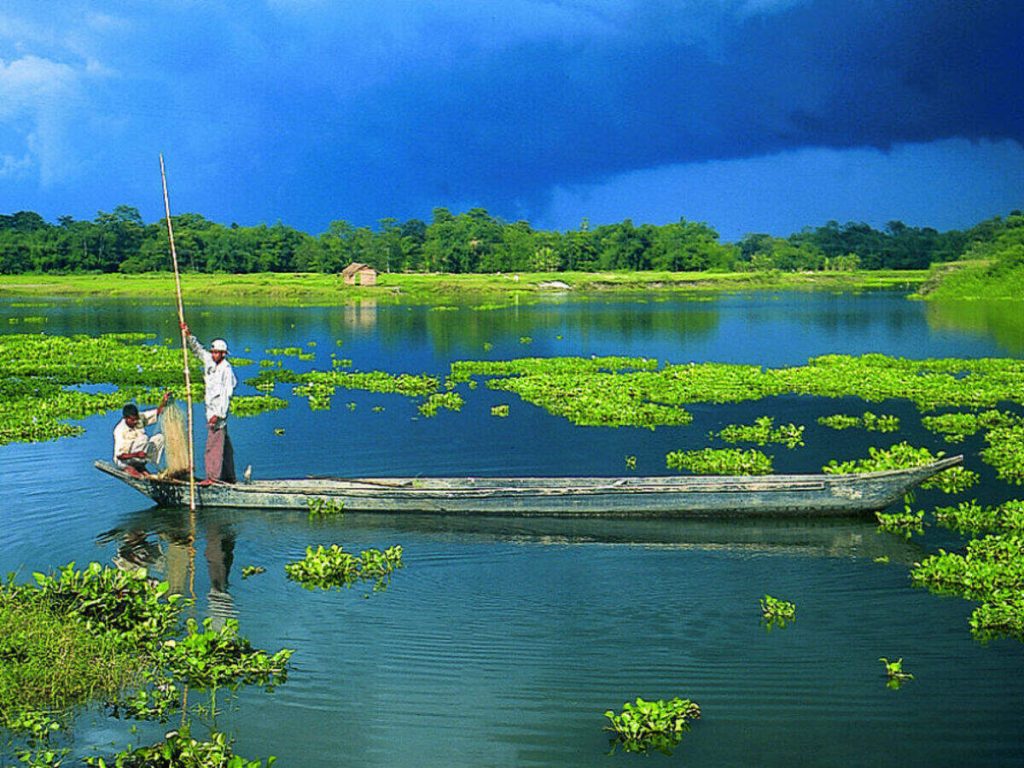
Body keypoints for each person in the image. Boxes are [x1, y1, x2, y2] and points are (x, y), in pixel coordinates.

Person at [181, 323, 238, 484]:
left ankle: (212, 478)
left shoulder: (226, 370)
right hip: (210, 411)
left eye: (216, 353)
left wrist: (218, 415)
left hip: (217, 414)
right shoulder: (210, 361)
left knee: (212, 447)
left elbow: (226, 395)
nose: (213, 355)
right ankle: (228, 477)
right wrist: (188, 335)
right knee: (224, 446)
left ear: (223, 354)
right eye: (212, 352)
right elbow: (197, 350)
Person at [113, 392, 171, 477]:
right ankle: (135, 467)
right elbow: (120, 456)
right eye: (133, 420)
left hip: (140, 456)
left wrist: (164, 402)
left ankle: (144, 464)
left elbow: (157, 412)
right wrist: (136, 455)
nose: (136, 422)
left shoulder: (139, 418)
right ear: (126, 418)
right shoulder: (119, 431)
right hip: (124, 461)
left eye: (136, 419)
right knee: (143, 438)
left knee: (160, 438)